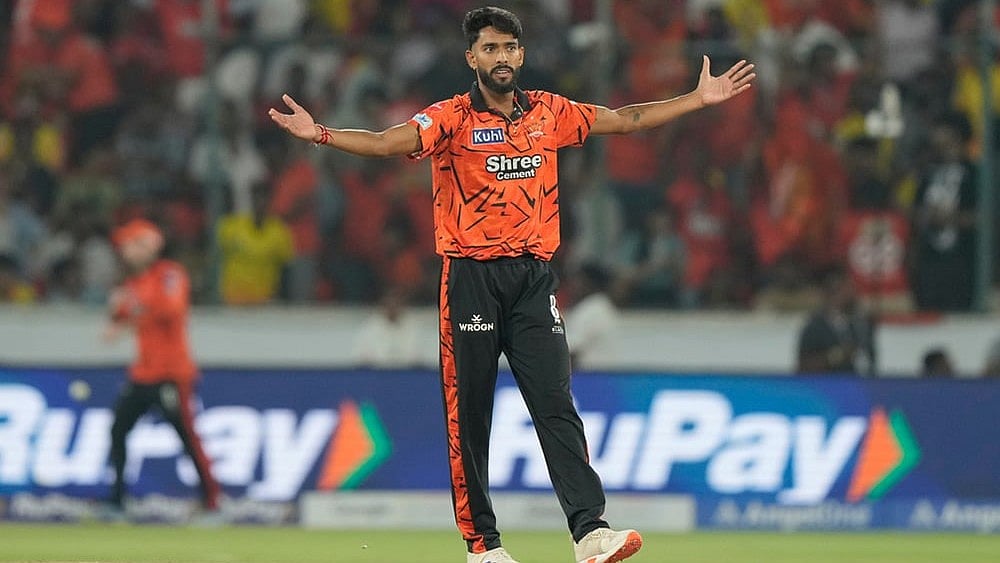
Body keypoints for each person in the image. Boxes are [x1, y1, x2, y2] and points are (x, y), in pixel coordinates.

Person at [270, 7, 754, 563]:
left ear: (520, 54)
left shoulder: (549, 112)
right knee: (471, 415)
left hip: (531, 279)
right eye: (490, 49)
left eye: (508, 48)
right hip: (470, 278)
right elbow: (386, 142)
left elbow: (627, 119)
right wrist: (321, 134)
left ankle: (590, 533)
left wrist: (697, 99)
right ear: (472, 58)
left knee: (556, 403)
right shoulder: (450, 118)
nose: (501, 58)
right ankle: (483, 547)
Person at [101, 218, 220, 521]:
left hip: (172, 373)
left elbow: (171, 308)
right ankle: (116, 502)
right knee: (118, 430)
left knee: (187, 438)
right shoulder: (132, 284)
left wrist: (133, 310)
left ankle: (212, 504)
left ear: (150, 245)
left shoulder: (169, 274)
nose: (125, 251)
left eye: (131, 244)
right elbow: (119, 316)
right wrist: (117, 315)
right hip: (142, 374)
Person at [216, 181, 294, 305]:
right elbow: (216, 258)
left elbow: (287, 269)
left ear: (270, 202)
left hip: (263, 300)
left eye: (264, 200)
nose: (260, 204)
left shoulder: (279, 231)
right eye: (257, 199)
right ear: (251, 201)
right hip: (233, 298)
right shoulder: (232, 227)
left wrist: (282, 298)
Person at [796, 269, 877, 376]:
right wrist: (834, 357)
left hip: (861, 382)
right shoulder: (814, 327)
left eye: (852, 290)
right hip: (827, 382)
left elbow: (871, 358)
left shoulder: (862, 325)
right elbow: (803, 366)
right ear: (831, 296)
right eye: (843, 291)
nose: (851, 295)